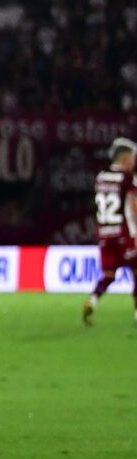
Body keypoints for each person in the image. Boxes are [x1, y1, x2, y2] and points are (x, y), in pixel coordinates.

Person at [86, 138, 137, 328]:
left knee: (108, 275)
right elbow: (132, 206)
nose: (134, 162)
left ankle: (92, 301)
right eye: (132, 158)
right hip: (124, 233)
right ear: (124, 159)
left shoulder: (101, 177)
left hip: (105, 233)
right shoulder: (127, 179)